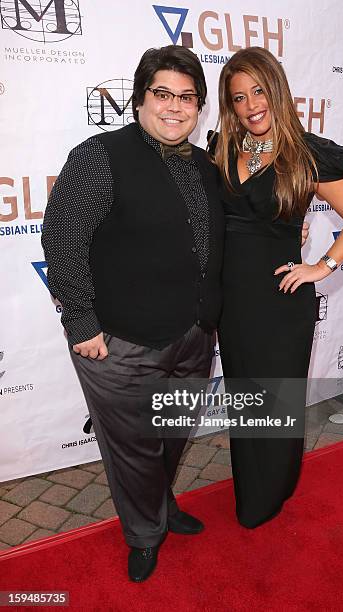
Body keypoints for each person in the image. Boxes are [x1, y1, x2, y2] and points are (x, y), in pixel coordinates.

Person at [41, 45, 226, 582]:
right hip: (118, 341)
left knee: (172, 434)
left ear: (199, 106)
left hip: (193, 334)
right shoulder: (98, 155)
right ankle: (145, 533)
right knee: (134, 448)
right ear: (140, 99)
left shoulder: (206, 165)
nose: (175, 107)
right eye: (162, 94)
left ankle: (161, 508)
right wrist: (81, 324)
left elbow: (215, 240)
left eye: (187, 97)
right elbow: (63, 238)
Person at [211, 47, 343, 529]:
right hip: (232, 303)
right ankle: (252, 491)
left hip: (281, 304)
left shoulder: (305, 154)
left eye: (258, 91)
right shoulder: (222, 148)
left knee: (275, 401)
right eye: (238, 97)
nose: (250, 104)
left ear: (276, 91)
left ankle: (271, 493)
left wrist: (322, 265)